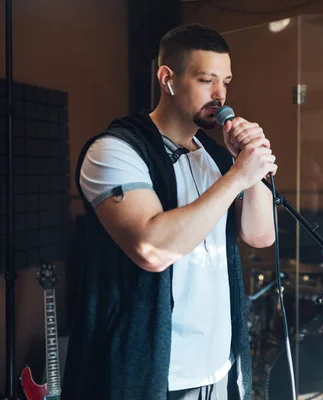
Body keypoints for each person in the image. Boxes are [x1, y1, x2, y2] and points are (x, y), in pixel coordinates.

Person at [62, 24, 277, 400]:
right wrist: (236, 177)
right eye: (206, 80)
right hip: (151, 376)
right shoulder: (114, 151)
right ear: (168, 79)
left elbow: (261, 236)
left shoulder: (212, 156)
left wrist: (246, 165)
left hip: (218, 372)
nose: (220, 95)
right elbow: (152, 249)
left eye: (225, 82)